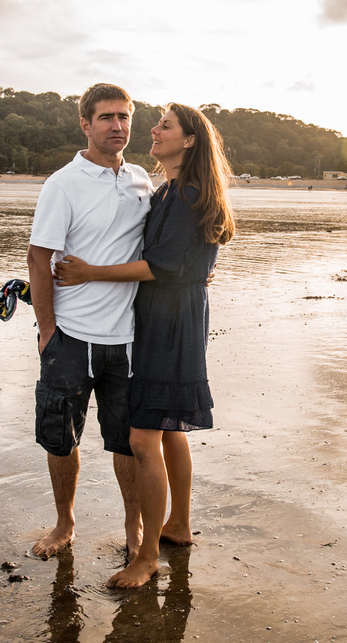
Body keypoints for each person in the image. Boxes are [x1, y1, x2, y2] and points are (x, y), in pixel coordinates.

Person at [54, 103, 235, 588]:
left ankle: (147, 556)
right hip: (169, 314)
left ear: (190, 140)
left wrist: (90, 272)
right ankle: (179, 524)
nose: (152, 130)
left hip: (169, 321)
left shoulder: (189, 193)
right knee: (170, 427)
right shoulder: (170, 190)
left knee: (142, 437)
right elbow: (179, 257)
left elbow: (159, 265)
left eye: (165, 125)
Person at [26, 83, 154, 560]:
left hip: (128, 339)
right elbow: (39, 259)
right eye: (106, 117)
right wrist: (47, 331)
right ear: (85, 124)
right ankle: (65, 523)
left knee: (128, 442)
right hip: (72, 337)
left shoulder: (142, 179)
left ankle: (134, 529)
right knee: (61, 438)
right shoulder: (63, 183)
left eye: (124, 116)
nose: (117, 126)